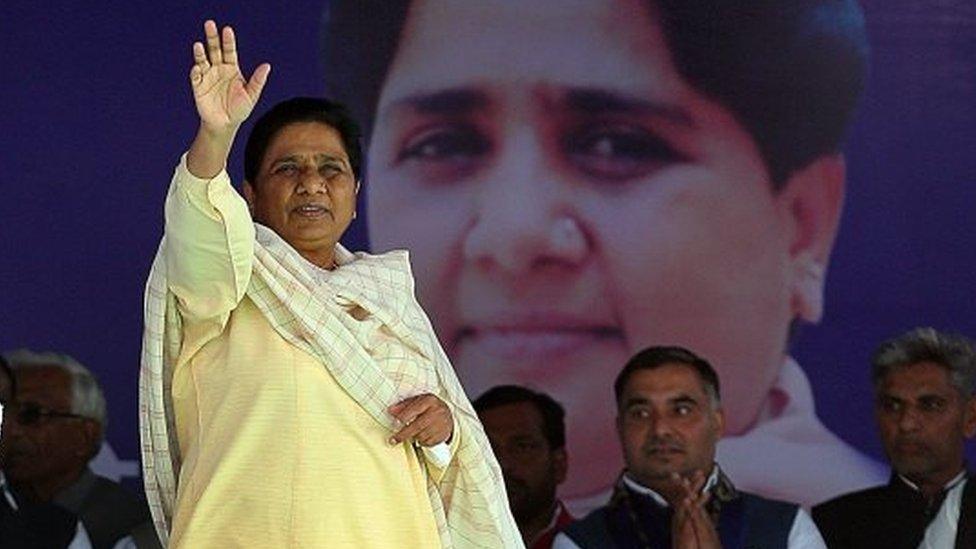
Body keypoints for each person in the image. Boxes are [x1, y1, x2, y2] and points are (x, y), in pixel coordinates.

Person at [317, 0, 882, 509]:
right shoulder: (326, 492)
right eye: (443, 144)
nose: (516, 237)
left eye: (616, 144)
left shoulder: (856, 525)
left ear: (803, 226)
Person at [138, 20, 520, 547]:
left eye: (331, 169)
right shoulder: (226, 279)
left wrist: (444, 428)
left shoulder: (387, 297)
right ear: (248, 196)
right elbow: (201, 225)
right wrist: (216, 136)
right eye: (287, 168)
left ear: (356, 193)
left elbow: (448, 456)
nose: (311, 182)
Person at [554, 346, 825, 548]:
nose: (660, 429)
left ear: (717, 423)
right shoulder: (578, 543)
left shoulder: (787, 528)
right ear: (620, 428)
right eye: (640, 413)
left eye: (681, 410)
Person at [813, 328, 976, 548]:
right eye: (892, 406)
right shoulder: (835, 523)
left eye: (930, 405)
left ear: (970, 418)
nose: (906, 423)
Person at [1, 349, 157, 548]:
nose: (12, 429)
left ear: (85, 435)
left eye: (30, 414)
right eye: (4, 412)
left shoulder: (131, 527)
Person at [474, 385, 575, 548]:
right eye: (488, 449)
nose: (502, 464)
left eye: (522, 447)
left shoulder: (589, 542)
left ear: (559, 464)